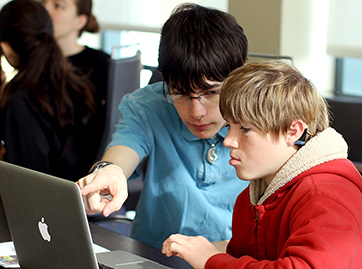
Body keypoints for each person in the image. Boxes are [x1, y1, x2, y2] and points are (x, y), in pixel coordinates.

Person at [162, 62, 362, 269]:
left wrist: (212, 261)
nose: (228, 140)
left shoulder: (327, 198)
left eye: (245, 128)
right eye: (229, 126)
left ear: (293, 131)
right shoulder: (253, 197)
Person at [78, 3, 249, 249]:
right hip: (154, 260)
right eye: (180, 93)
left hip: (233, 265)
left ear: (238, 81)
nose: (196, 112)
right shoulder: (148, 105)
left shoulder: (264, 119)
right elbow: (122, 151)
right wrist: (109, 171)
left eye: (211, 93)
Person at [0, 0, 103, 182]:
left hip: (47, 205)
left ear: (6, 48)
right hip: (80, 197)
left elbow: (28, 182)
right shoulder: (76, 82)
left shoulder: (22, 98)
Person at [39, 0, 110, 108]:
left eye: (58, 6)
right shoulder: (34, 59)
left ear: (79, 22)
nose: (45, 10)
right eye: (43, 3)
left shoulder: (102, 64)